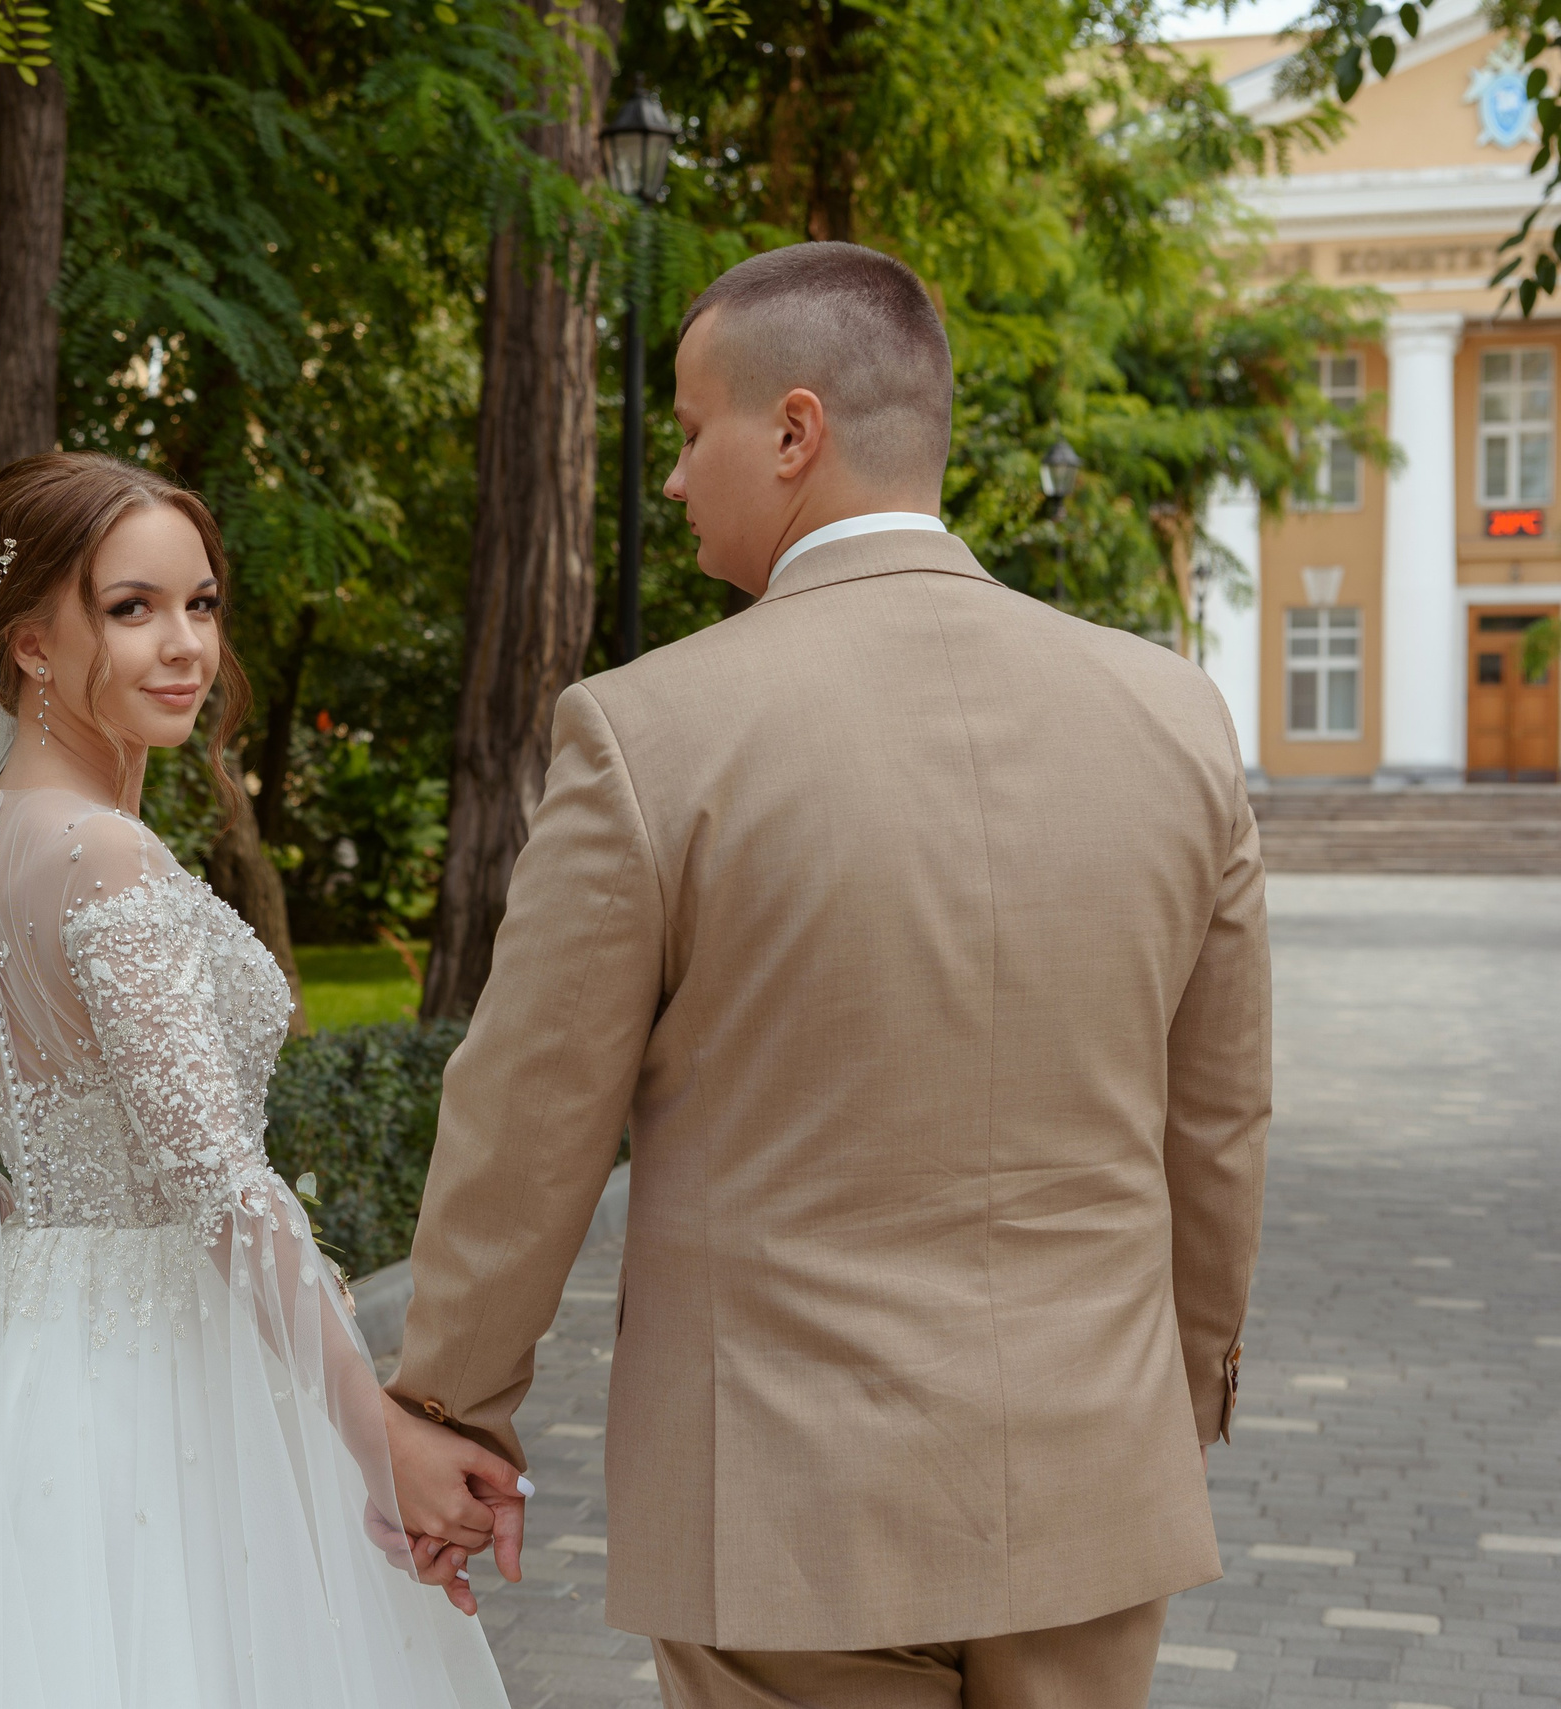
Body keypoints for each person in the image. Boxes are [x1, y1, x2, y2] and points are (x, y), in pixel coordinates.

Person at [383, 242, 1272, 1708]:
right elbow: (1218, 1127)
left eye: (685, 433)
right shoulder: (1175, 718)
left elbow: (530, 1116)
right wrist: (1160, 1408)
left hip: (790, 1503)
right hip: (1094, 1481)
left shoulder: (648, 733)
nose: (670, 480)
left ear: (794, 432)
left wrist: (446, 1403)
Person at [0, 451, 514, 1708]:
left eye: (202, 603)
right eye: (132, 608)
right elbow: (219, 1181)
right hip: (154, 1370)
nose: (184, 647)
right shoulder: (103, 858)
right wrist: (372, 1429)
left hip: (25, 1351)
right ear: (32, 647)